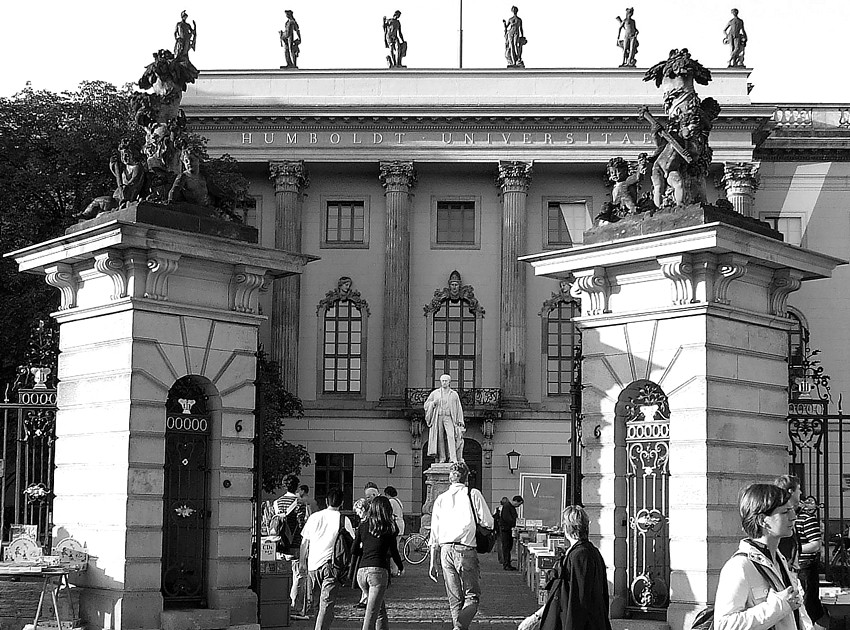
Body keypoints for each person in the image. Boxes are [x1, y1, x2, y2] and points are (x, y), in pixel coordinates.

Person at [714, 483, 813, 630]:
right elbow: (725, 625)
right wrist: (780, 606)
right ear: (762, 520)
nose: (793, 517)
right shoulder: (739, 566)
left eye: (792, 509)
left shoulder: (780, 560)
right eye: (785, 512)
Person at [519, 506, 612, 630]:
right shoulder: (586, 552)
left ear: (567, 527)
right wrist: (535, 618)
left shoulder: (580, 556)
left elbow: (578, 602)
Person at [428, 462, 493, 630]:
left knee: (454, 598)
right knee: (472, 596)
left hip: (445, 551)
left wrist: (432, 562)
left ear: (450, 479)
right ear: (467, 478)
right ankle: (458, 627)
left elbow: (434, 531)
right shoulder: (473, 494)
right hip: (465, 550)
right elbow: (488, 522)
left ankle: (458, 626)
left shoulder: (440, 499)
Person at [300, 487, 356, 630]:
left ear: (326, 501)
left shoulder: (314, 517)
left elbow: (304, 542)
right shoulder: (343, 519)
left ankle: (322, 626)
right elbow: (353, 542)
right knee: (326, 603)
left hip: (313, 565)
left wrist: (302, 562)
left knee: (318, 604)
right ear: (341, 503)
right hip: (332, 565)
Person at [775, 475, 826, 628]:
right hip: (789, 571)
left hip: (798, 570)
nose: (802, 492)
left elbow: (816, 544)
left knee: (805, 610)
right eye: (799, 489)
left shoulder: (803, 517)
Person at [351, 496, 405, 630]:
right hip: (378, 572)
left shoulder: (363, 525)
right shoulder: (388, 528)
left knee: (379, 608)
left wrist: (366, 549)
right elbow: (394, 551)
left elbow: (354, 549)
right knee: (371, 613)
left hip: (361, 572)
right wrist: (400, 567)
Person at [274, 474, 310, 620]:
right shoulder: (300, 504)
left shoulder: (276, 503)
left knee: (282, 576)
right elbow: (304, 526)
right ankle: (295, 608)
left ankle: (281, 605)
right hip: (296, 544)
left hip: (279, 544)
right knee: (299, 576)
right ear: (296, 486)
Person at [424, 374, 466, 463]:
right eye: (442, 381)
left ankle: (452, 457)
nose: (444, 382)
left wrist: (460, 421)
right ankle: (442, 457)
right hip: (438, 417)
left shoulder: (454, 394)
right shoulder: (435, 393)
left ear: (449, 382)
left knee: (451, 436)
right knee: (440, 437)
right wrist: (433, 403)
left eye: (446, 381)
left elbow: (459, 408)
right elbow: (426, 405)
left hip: (449, 417)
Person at [351, 497, 371, 609]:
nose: (357, 514)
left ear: (362, 509)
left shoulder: (366, 522)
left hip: (364, 552)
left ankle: (366, 599)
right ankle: (364, 598)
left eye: (358, 512)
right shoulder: (365, 521)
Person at [499, 496, 524, 570]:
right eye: (519, 504)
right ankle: (506, 564)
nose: (518, 506)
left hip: (508, 529)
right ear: (516, 501)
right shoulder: (507, 507)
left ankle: (508, 563)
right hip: (505, 530)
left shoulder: (510, 507)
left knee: (508, 546)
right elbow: (508, 519)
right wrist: (515, 523)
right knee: (506, 547)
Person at [493, 497, 509, 565]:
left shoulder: (497, 509)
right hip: (505, 528)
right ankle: (505, 558)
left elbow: (493, 518)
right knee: (505, 544)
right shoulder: (507, 509)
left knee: (499, 543)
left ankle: (501, 558)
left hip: (498, 528)